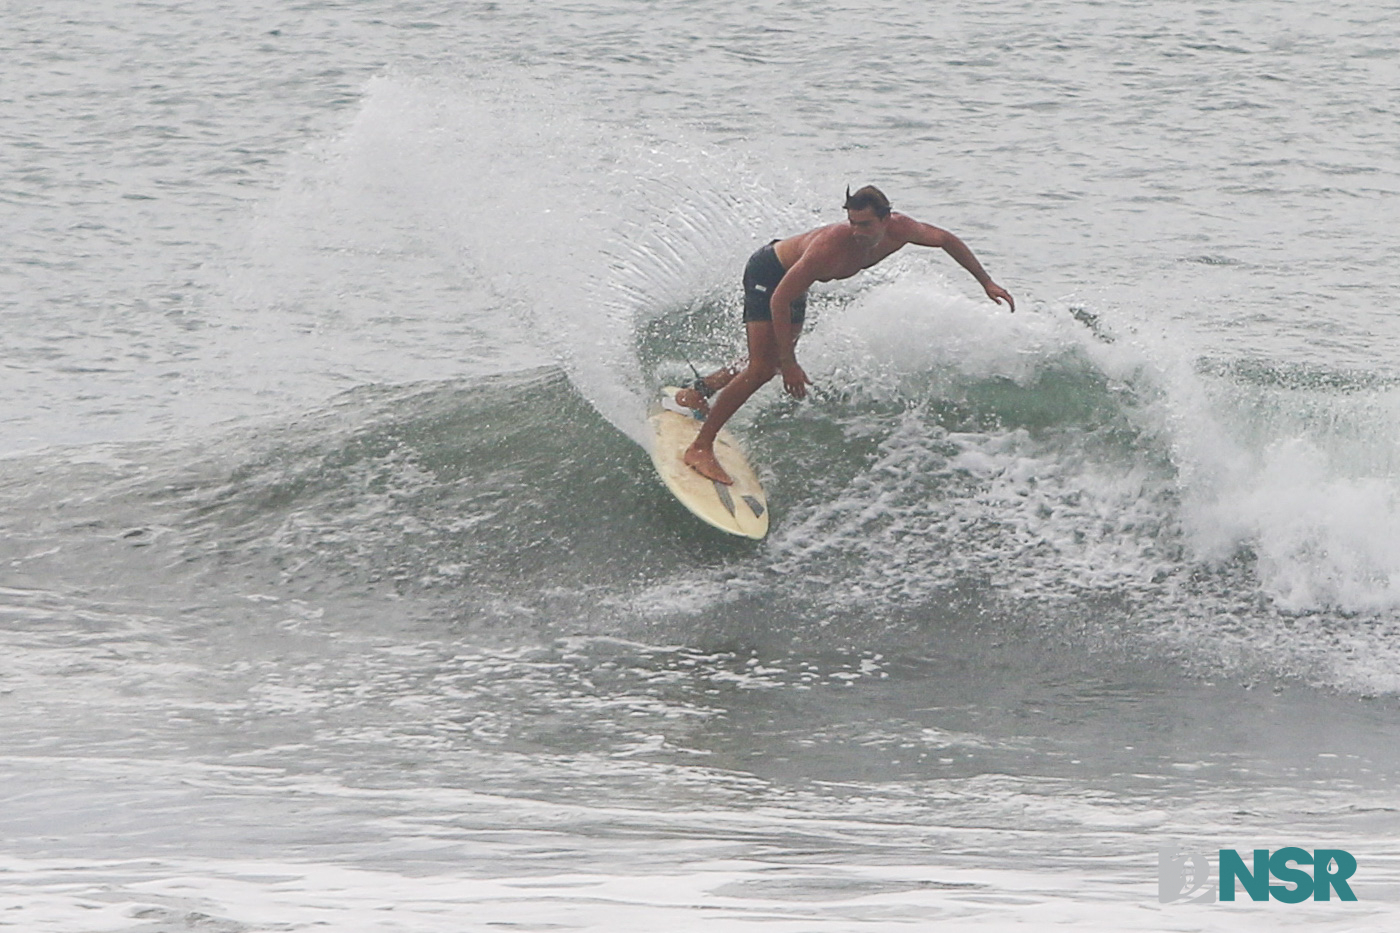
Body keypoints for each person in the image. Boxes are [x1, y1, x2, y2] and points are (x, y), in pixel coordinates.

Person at [678, 185, 1014, 484]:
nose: (856, 231)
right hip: (770, 273)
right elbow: (780, 298)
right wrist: (790, 362)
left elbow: (946, 240)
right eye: (852, 223)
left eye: (865, 224)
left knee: (766, 362)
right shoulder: (830, 245)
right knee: (766, 368)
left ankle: (700, 392)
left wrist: (985, 282)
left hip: (792, 284)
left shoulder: (904, 229)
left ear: (886, 219)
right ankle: (700, 448)